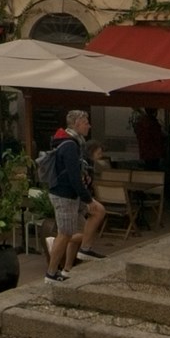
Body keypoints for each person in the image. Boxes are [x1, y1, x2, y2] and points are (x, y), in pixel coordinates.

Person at [42, 110, 106, 279]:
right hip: (64, 195)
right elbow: (72, 175)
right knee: (65, 234)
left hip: (71, 194)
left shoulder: (73, 142)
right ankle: (51, 273)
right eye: (86, 122)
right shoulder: (69, 145)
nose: (89, 125)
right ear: (77, 124)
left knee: (97, 211)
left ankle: (84, 250)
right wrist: (87, 197)